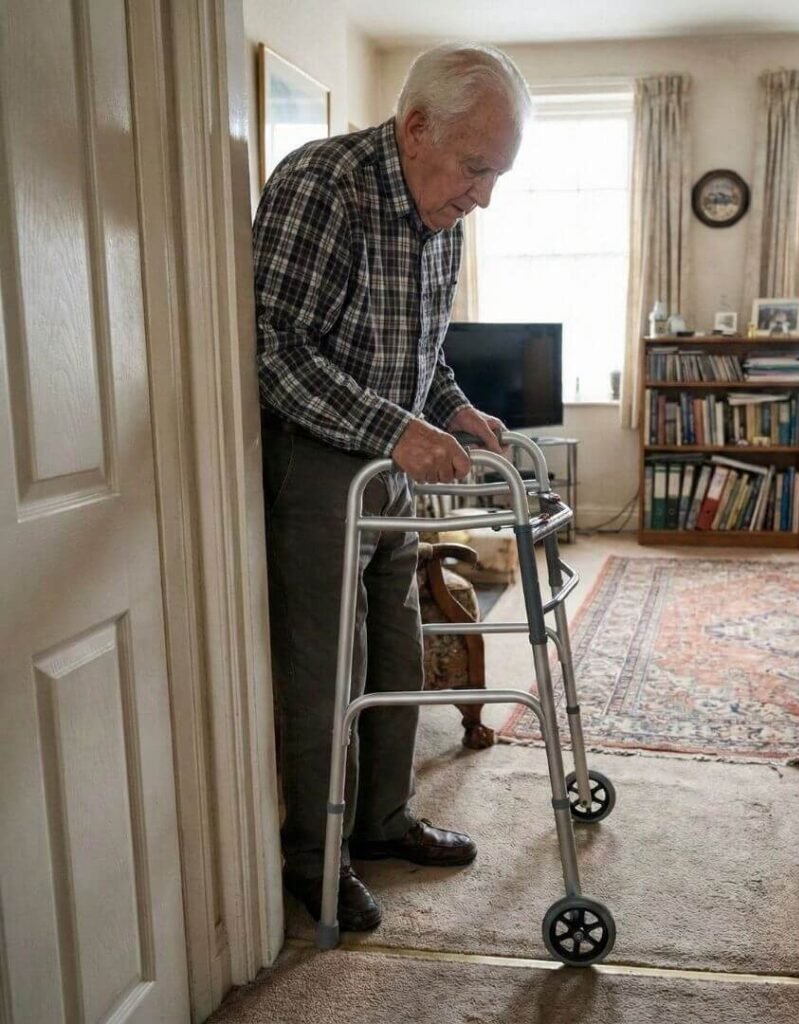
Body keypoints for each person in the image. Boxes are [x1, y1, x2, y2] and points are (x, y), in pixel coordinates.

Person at [252, 43, 530, 931]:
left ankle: (381, 821)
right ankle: (315, 861)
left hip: (392, 464)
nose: (482, 195)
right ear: (415, 128)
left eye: (496, 175)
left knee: (399, 653)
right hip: (323, 464)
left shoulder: (441, 216)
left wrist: (455, 411)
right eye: (476, 168)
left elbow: (423, 353)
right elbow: (275, 350)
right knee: (327, 666)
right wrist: (396, 431)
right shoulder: (320, 187)